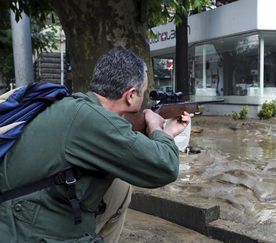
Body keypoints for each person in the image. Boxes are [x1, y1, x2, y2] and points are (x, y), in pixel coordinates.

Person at [0, 47, 191, 242]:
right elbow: (165, 167)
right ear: (131, 95)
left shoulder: (76, 107)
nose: (143, 102)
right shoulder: (91, 120)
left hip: (21, 209)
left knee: (120, 188)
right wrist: (161, 131)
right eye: (143, 94)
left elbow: (126, 147)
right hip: (20, 227)